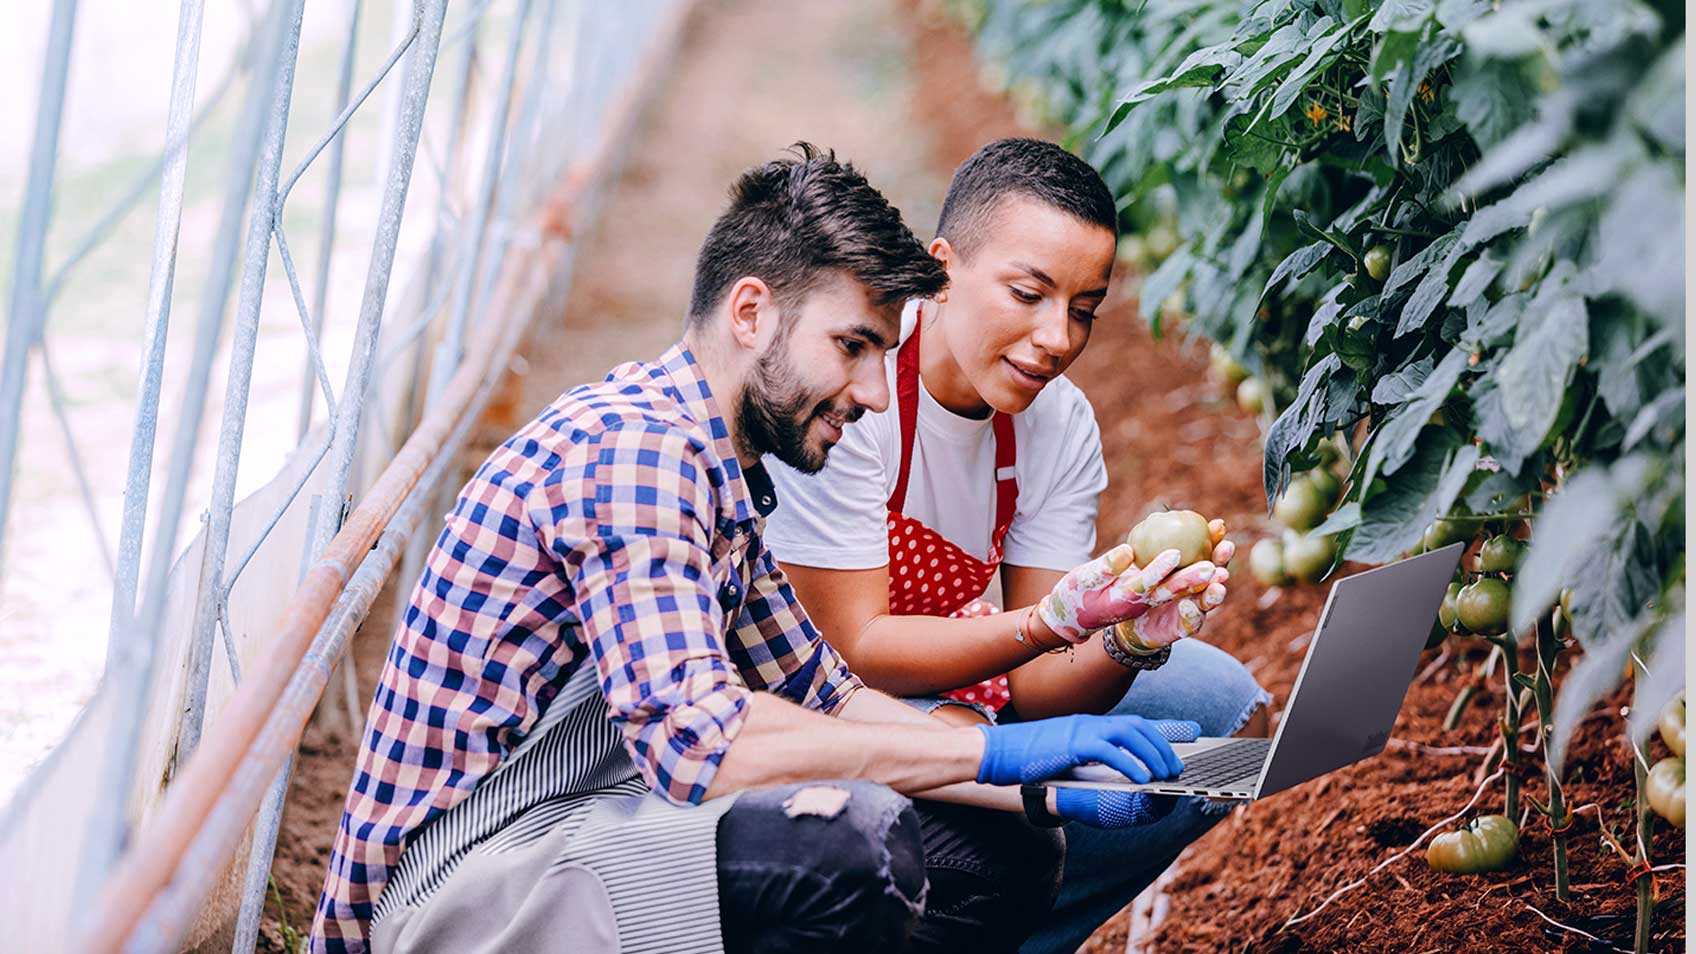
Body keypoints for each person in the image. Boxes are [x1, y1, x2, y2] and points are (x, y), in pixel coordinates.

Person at [309, 144, 1233, 954]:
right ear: (750, 313)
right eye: (854, 348)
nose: (876, 391)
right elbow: (700, 744)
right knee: (849, 846)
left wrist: (1044, 790)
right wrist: (993, 757)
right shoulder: (638, 451)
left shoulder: (722, 476)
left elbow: (826, 693)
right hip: (461, 885)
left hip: (572, 823)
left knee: (998, 849)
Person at [763, 137, 1274, 954]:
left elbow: (1039, 693)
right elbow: (853, 651)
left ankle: (1021, 932)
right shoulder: (856, 391)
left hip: (967, 672)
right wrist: (1048, 624)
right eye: (1028, 294)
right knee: (982, 776)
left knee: (1218, 713)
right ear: (943, 268)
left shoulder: (1057, 423)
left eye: (1082, 308)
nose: (1057, 337)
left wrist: (1130, 635)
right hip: (818, 698)